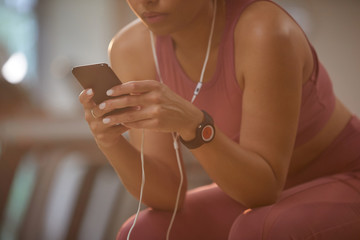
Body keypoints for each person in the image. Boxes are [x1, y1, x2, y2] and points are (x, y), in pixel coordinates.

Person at [78, 0, 360, 239]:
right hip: (260, 187)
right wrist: (111, 142)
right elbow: (166, 196)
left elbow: (262, 191)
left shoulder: (264, 29)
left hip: (345, 174)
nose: (146, 1)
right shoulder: (132, 47)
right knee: (144, 230)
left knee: (258, 229)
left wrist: (194, 125)